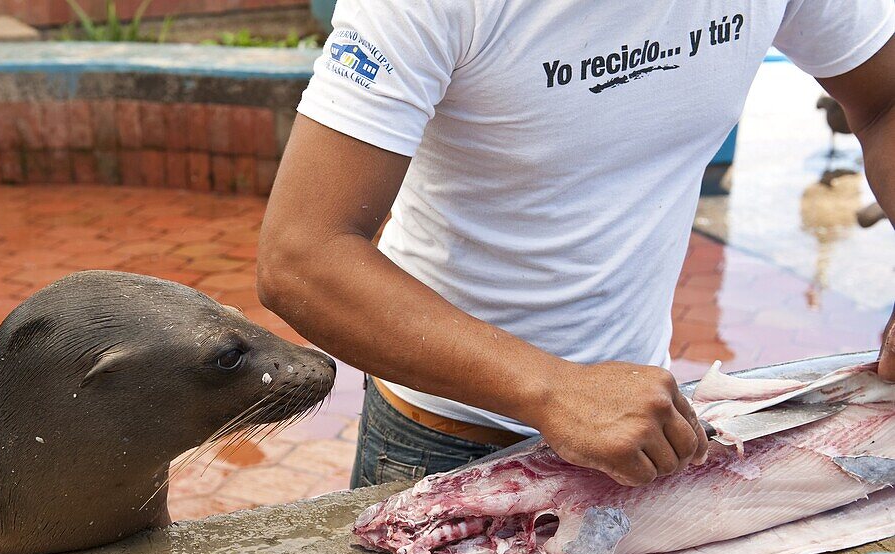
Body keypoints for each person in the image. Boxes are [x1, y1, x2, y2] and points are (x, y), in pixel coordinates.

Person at [257, 0, 895, 489]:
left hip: (640, 414)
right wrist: (554, 390)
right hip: (444, 435)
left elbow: (884, 100)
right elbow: (303, 255)